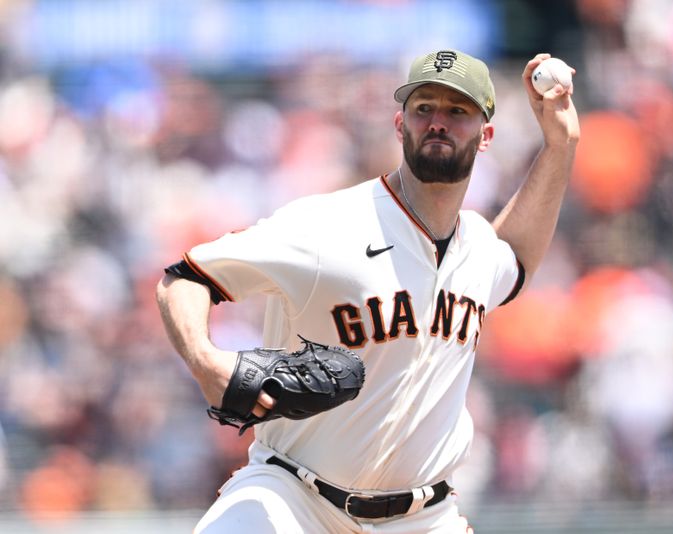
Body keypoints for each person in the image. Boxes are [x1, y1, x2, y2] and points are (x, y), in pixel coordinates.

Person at [156, 49, 579, 533]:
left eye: (456, 111)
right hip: (295, 499)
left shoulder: (480, 249)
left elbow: (518, 256)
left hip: (424, 517)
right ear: (400, 124)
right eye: (424, 108)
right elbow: (186, 279)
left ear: (485, 136)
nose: (437, 122)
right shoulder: (326, 226)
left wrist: (560, 145)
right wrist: (205, 360)